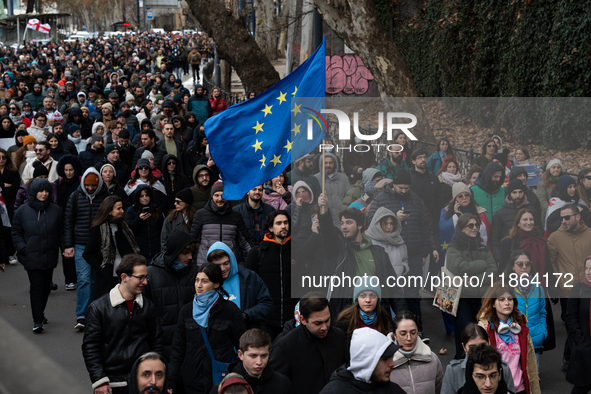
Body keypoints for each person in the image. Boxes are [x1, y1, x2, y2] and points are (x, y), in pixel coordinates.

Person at [367, 169, 437, 335]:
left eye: (407, 188)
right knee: (392, 293)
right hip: (387, 254)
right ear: (393, 184)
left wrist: (424, 252)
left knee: (412, 293)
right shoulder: (381, 199)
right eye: (401, 188)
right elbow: (371, 223)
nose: (404, 191)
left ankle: (416, 330)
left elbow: (424, 225)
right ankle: (393, 330)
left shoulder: (415, 199)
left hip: (413, 253)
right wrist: (394, 217)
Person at [82, 254, 164, 394]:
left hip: (142, 383)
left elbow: (156, 341)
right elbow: (91, 347)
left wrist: (154, 375)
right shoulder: (98, 308)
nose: (145, 282)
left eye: (146, 277)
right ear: (124, 277)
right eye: (140, 277)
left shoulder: (148, 307)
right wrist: (100, 379)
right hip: (112, 383)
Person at [167, 263, 247, 394]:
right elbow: (178, 349)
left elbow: (242, 346)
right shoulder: (186, 311)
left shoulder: (230, 310)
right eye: (197, 280)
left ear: (216, 284)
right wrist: (172, 379)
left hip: (220, 379)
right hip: (191, 381)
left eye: (205, 281)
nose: (199, 285)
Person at [11, 178, 64, 333]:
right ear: (34, 192)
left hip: (49, 254)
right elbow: (16, 232)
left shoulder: (55, 210)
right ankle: (37, 320)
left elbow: (61, 232)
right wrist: (22, 248)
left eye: (46, 191)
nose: (44, 194)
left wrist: (66, 248)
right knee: (36, 287)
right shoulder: (22, 210)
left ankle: (40, 313)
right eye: (41, 191)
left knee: (46, 286)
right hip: (31, 255)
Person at [270, 295, 347, 394]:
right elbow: (275, 384)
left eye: (327, 320)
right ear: (302, 320)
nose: (324, 327)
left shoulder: (338, 337)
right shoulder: (286, 346)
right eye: (318, 323)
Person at [446, 214, 498, 359]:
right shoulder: (453, 247)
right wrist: (482, 265)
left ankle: (481, 361)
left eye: (476, 225)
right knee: (465, 331)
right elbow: (458, 266)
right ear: (462, 228)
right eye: (471, 225)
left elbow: (493, 271)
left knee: (483, 331)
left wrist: (473, 278)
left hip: (482, 297)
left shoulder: (482, 247)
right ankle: (462, 362)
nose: (475, 228)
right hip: (462, 297)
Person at [64, 167, 110, 330]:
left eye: (93, 185)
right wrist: (68, 245)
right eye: (88, 185)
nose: (90, 188)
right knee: (84, 279)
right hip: (81, 244)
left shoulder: (105, 197)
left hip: (100, 245)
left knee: (99, 280)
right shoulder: (76, 196)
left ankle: (98, 314)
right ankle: (82, 315)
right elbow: (68, 221)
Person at [144, 231, 199, 359]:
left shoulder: (195, 273)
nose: (190, 257)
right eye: (185, 253)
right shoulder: (151, 274)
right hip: (161, 341)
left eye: (192, 253)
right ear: (174, 251)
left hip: (189, 340)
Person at [477, 283, 541, 394]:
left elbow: (531, 364)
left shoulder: (520, 328)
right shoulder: (484, 329)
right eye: (501, 299)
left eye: (510, 299)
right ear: (493, 303)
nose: (507, 303)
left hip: (520, 388)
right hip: (498, 389)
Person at [245, 210, 296, 339]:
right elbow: (249, 287)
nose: (283, 226)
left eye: (285, 222)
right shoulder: (257, 253)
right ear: (270, 228)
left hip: (293, 319)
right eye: (278, 223)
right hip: (266, 320)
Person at [83, 196, 141, 299]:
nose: (122, 211)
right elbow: (88, 253)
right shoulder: (98, 229)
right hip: (106, 277)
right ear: (109, 211)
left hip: (124, 274)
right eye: (118, 208)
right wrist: (101, 266)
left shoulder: (124, 226)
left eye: (122, 208)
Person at [318, 327, 406, 394]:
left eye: (391, 357)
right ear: (367, 361)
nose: (392, 363)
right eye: (385, 359)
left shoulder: (394, 390)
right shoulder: (334, 391)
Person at [207, 242, 273, 329]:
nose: (222, 269)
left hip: (246, 334)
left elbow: (266, 304)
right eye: (218, 265)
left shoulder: (250, 277)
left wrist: (246, 315)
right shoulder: (205, 282)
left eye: (226, 263)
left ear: (232, 261)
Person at [208, 328, 293, 394]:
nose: (259, 362)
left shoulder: (282, 385)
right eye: (253, 356)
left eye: (264, 355)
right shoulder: (224, 387)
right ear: (240, 355)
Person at [190, 181, 255, 265]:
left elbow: (246, 240)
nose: (220, 199)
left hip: (228, 263)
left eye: (223, 195)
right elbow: (192, 239)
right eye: (216, 195)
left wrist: (256, 256)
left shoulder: (235, 216)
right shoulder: (201, 214)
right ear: (211, 196)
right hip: (206, 264)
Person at [441, 323, 515, 394]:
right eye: (480, 376)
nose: (488, 384)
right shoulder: (453, 370)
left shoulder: (502, 367)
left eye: (493, 375)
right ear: (464, 347)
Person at [548, 204, 591, 324]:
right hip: (567, 291)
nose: (563, 221)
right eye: (561, 218)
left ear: (578, 217)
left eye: (567, 218)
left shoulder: (589, 234)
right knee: (571, 326)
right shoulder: (554, 238)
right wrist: (558, 283)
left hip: (588, 289)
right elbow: (551, 265)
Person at [507, 250, 547, 371]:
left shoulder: (538, 288)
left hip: (534, 338)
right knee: (514, 378)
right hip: (512, 340)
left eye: (527, 263)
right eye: (520, 263)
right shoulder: (506, 288)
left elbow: (542, 312)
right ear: (513, 266)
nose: (524, 267)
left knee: (533, 377)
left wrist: (542, 331)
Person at [387, 311, 444, 393]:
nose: (409, 338)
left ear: (418, 332)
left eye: (413, 333)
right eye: (403, 334)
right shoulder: (384, 363)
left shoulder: (432, 359)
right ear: (394, 335)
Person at [491, 179, 540, 263]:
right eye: (514, 192)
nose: (518, 195)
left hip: (531, 256)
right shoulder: (500, 213)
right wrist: (499, 258)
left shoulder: (532, 210)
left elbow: (539, 232)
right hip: (508, 256)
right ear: (509, 193)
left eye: (520, 192)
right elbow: (494, 239)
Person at [55, 155, 84, 290]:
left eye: (70, 170)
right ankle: (69, 279)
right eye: (66, 170)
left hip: (78, 219)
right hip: (62, 221)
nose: (68, 173)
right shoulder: (58, 183)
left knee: (78, 249)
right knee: (66, 250)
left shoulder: (80, 182)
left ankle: (80, 276)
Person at [565, 255, 591, 394]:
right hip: (584, 348)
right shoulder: (578, 288)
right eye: (586, 268)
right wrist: (580, 340)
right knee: (581, 387)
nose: (588, 272)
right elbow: (570, 316)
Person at [498, 208, 549, 276]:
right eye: (525, 219)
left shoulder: (541, 241)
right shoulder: (508, 242)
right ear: (518, 223)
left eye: (531, 219)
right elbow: (502, 268)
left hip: (538, 283)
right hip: (514, 283)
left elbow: (548, 267)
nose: (529, 222)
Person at [364, 207, 409, 277]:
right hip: (378, 283)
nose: (389, 227)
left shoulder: (398, 240)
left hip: (397, 282)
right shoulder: (370, 242)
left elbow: (404, 259)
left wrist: (403, 269)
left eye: (391, 223)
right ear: (378, 224)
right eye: (385, 223)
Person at [126, 184, 163, 264]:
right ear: (137, 197)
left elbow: (161, 229)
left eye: (147, 195)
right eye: (141, 196)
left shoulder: (156, 209)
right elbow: (129, 231)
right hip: (139, 252)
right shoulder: (131, 211)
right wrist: (139, 219)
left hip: (156, 251)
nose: (145, 198)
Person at [314, 152, 349, 226]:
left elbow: (348, 197)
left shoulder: (343, 178)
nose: (328, 165)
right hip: (323, 220)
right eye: (325, 163)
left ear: (335, 163)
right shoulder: (316, 179)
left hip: (341, 219)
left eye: (330, 163)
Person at [0, 148, 21, 265]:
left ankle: (10, 253)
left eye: (3, 157)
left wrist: (2, 190)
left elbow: (15, 187)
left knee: (9, 229)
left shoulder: (13, 171)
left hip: (10, 203)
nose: (1, 160)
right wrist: (4, 185)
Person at [161, 188, 196, 253]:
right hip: (175, 255)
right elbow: (164, 241)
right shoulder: (170, 219)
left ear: (186, 202)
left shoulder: (196, 217)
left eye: (178, 202)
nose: (175, 204)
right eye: (175, 201)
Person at [536, 158, 564, 224]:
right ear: (549, 169)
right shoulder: (543, 183)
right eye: (553, 167)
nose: (556, 169)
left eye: (558, 167)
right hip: (549, 213)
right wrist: (553, 210)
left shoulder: (564, 181)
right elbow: (542, 200)